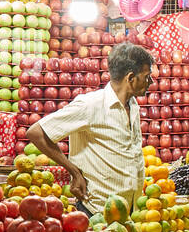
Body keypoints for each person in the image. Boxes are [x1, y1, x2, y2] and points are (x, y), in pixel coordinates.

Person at [28, 41, 153, 214]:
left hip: (129, 211)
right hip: (97, 211)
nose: (150, 81)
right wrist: (74, 171)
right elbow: (36, 132)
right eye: (146, 77)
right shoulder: (90, 105)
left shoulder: (133, 105)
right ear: (130, 78)